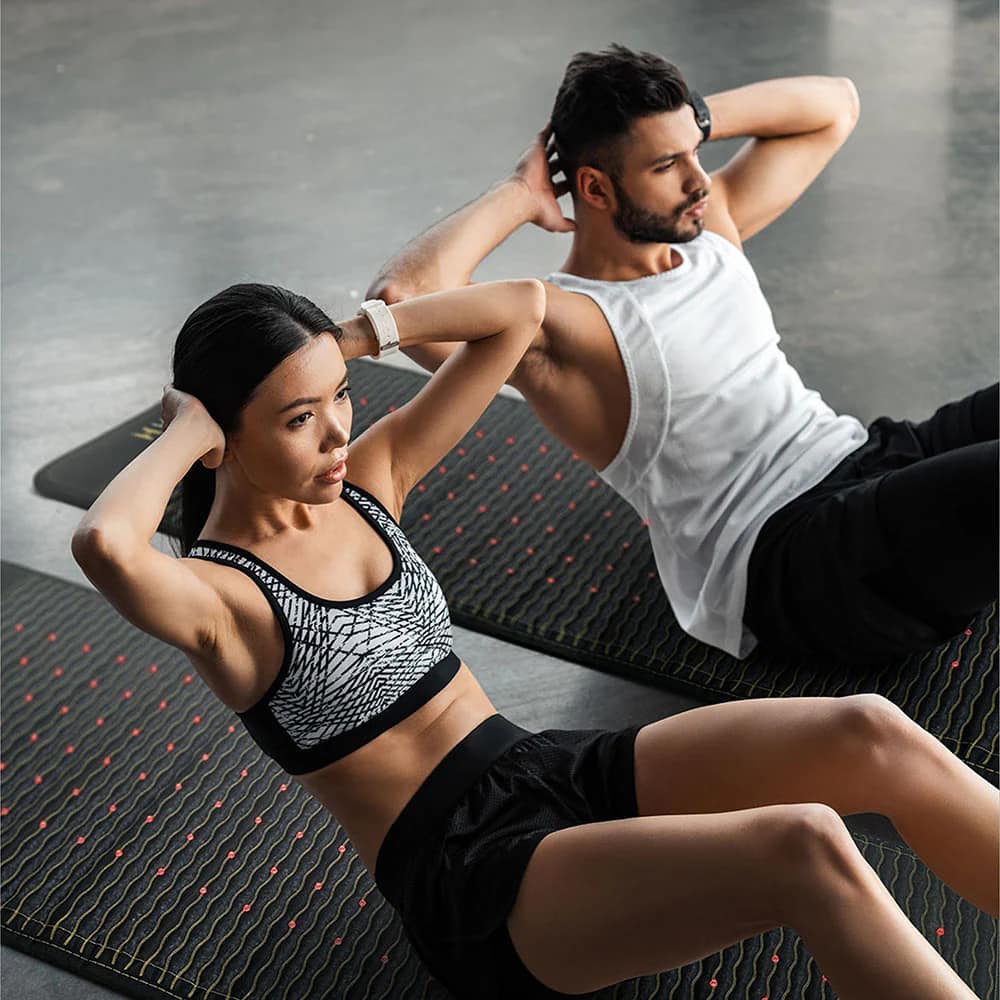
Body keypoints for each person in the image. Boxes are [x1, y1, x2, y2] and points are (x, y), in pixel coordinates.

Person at [71, 281, 995, 1000]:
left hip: (549, 769)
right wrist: (186, 427)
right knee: (806, 846)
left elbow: (520, 313)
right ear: (223, 439)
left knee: (867, 731)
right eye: (299, 418)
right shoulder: (221, 599)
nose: (339, 431)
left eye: (341, 397)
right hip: (477, 880)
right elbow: (106, 544)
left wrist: (346, 338)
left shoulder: (369, 483)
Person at [367, 44, 999, 666]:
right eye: (667, 164)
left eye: (695, 152)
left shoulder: (707, 231)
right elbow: (400, 302)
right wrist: (519, 191)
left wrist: (690, 122)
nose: (698, 180)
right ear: (595, 187)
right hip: (792, 557)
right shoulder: (558, 324)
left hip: (866, 455)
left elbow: (836, 104)